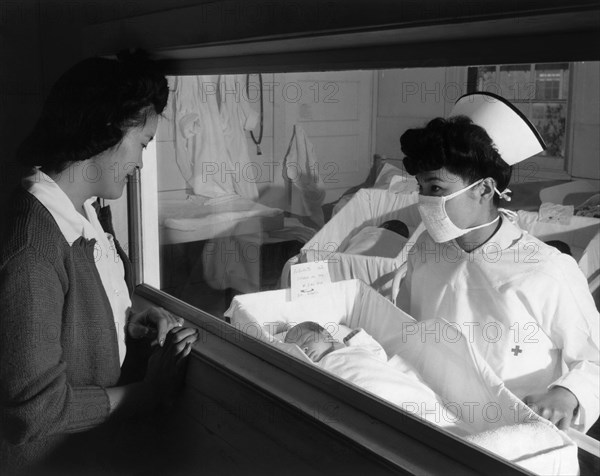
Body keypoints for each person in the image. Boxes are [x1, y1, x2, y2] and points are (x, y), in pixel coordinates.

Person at [0, 54, 199, 474]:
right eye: (142, 144)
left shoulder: (86, 212)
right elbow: (34, 412)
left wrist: (130, 323)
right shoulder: (31, 250)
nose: (141, 164)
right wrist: (147, 393)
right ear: (110, 130)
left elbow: (72, 319)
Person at [396, 92, 599, 433]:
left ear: (485, 189)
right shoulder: (425, 250)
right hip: (431, 416)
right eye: (420, 187)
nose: (424, 201)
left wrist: (567, 393)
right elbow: (403, 325)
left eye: (435, 187)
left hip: (513, 430)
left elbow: (595, 356)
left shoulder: (546, 268)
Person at [341, 219, 410, 258]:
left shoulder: (368, 229)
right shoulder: (403, 243)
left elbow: (355, 241)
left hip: (347, 258)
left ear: (385, 226)